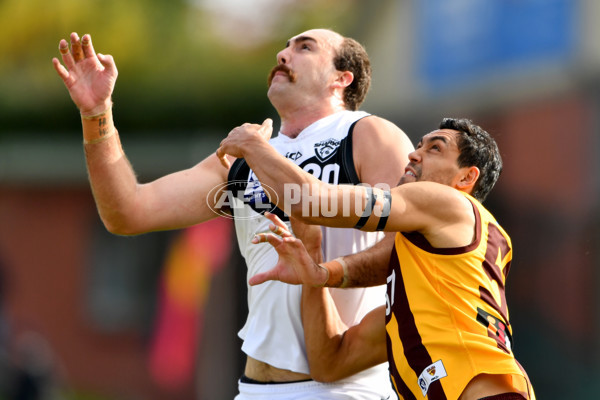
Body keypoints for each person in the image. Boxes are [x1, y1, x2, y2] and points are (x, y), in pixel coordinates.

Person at [52, 29, 414, 399]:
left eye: (304, 47)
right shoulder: (245, 152)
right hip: (254, 389)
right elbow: (128, 212)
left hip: (343, 387)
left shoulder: (369, 134)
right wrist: (97, 114)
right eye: (285, 45)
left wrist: (324, 273)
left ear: (342, 78)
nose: (283, 54)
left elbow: (406, 253)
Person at [216, 118, 537, 399]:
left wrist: (255, 146)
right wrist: (317, 271)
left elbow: (312, 200)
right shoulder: (431, 283)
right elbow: (331, 362)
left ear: (466, 179)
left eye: (435, 148)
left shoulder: (446, 201)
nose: (414, 154)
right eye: (419, 145)